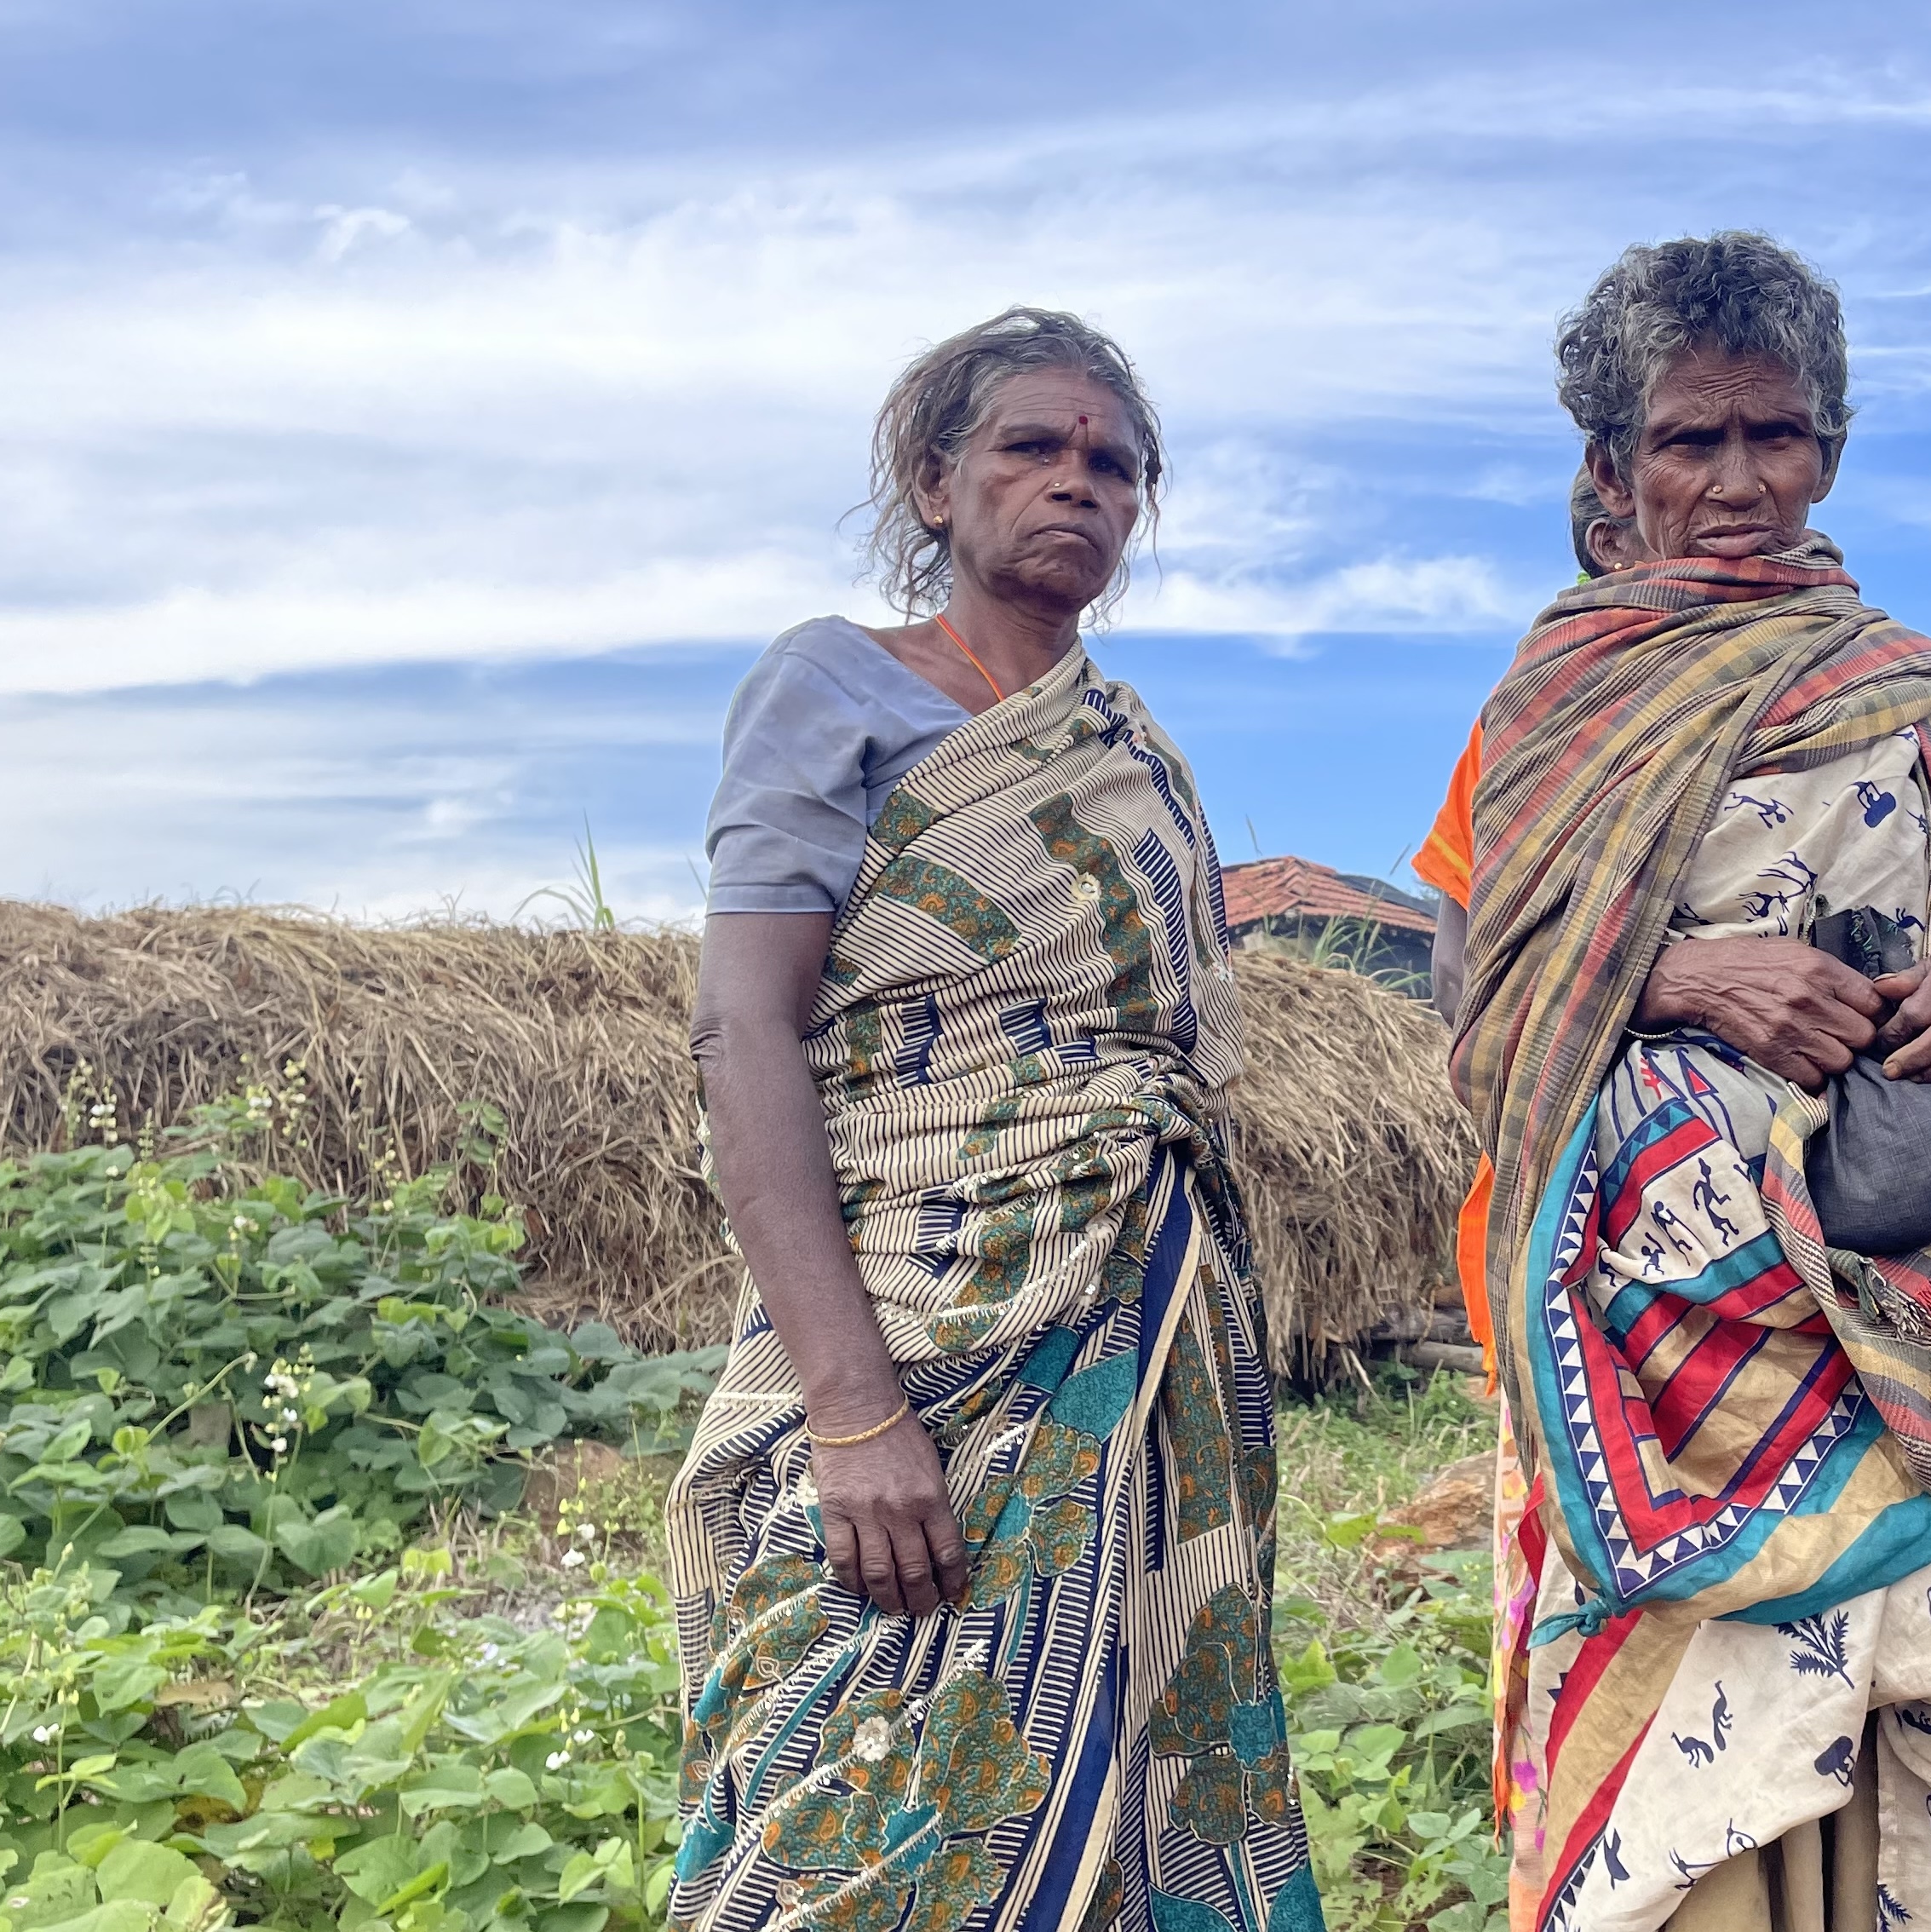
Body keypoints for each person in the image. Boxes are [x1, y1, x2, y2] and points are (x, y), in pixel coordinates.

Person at [1434, 235, 1931, 1932]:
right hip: (1669, 1319)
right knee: (1724, 1708)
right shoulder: (1559, 706)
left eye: (1777, 435)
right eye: (1690, 440)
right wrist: (1683, 978)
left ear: (1832, 449)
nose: (1738, 480)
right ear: (1614, 467)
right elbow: (1482, 995)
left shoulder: (1925, 699)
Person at [667, 308, 1319, 1932]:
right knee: (851, 1805)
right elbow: (743, 1033)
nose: (1077, 483)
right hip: (921, 1311)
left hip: (1141, 1319)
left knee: (1134, 1782)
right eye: (1032, 446)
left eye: (1115, 464)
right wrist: (852, 1413)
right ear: (932, 480)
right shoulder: (833, 686)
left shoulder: (1131, 752)